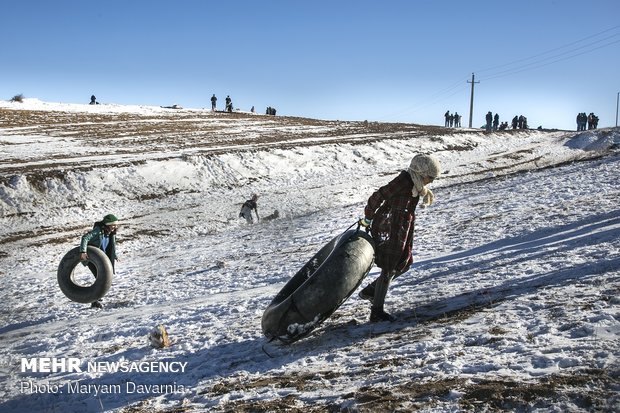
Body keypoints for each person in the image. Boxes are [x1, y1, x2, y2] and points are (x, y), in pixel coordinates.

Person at [358, 154, 441, 322]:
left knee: (405, 263)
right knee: (389, 267)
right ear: (420, 171)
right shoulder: (403, 181)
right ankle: (376, 311)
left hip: (402, 229)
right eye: (430, 177)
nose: (431, 181)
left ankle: (372, 291)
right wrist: (367, 218)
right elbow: (378, 196)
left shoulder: (415, 184)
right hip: (389, 227)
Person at [79, 214, 120, 308]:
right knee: (100, 278)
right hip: (93, 258)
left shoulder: (111, 233)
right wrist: (83, 251)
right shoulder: (98, 231)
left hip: (103, 259)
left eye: (116, 225)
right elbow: (85, 238)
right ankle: (94, 300)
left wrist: (115, 255)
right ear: (107, 225)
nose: (115, 227)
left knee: (103, 278)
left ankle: (97, 296)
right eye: (113, 225)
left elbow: (111, 246)